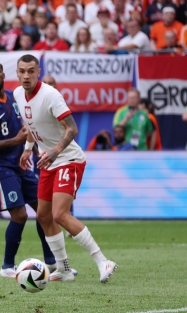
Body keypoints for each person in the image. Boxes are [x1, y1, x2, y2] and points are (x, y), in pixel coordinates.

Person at [14, 54, 117, 283]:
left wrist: (55, 151)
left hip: (68, 159)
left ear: (38, 72)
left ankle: (103, 261)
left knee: (59, 214)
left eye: (31, 71)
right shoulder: (18, 94)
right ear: (17, 73)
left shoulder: (51, 95)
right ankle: (64, 269)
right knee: (43, 215)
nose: (26, 75)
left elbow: (72, 128)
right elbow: (32, 125)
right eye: (22, 71)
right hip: (48, 162)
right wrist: (28, 148)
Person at [0, 60, 58, 277]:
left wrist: (34, 149)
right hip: (0, 167)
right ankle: (7, 266)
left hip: (21, 163)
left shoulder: (14, 97)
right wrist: (15, 140)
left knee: (44, 212)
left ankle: (52, 264)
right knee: (19, 215)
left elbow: (26, 127)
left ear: (3, 74)